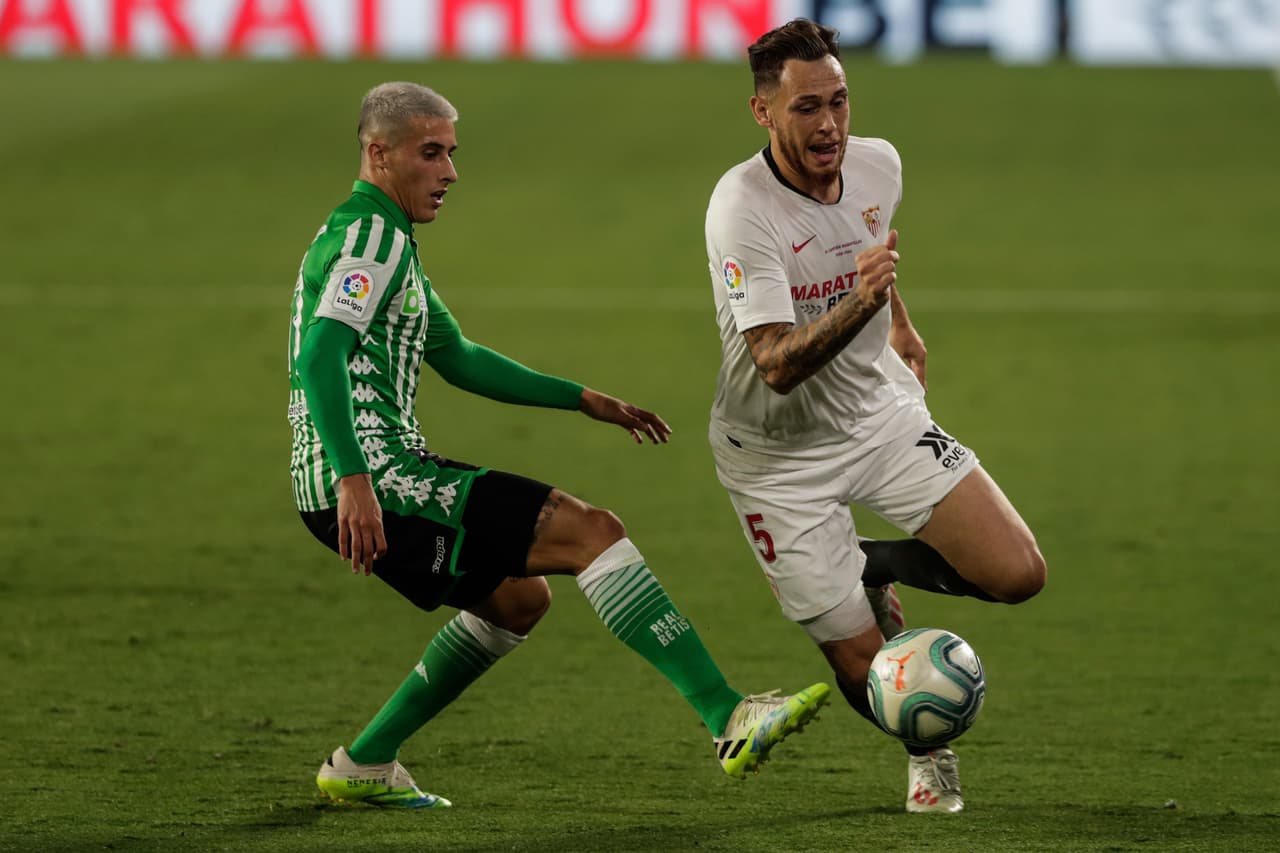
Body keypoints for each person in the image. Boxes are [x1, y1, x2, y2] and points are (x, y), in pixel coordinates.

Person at [285, 81, 829, 809]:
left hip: (357, 479)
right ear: (378, 153)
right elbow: (320, 355)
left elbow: (462, 357)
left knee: (516, 599)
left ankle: (365, 761)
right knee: (592, 532)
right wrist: (355, 479)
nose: (450, 171)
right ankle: (726, 714)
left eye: (452, 152)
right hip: (377, 480)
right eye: (431, 153)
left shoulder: (384, 242)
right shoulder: (371, 238)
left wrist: (584, 398)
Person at [703, 19, 1047, 814]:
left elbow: (866, 249)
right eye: (806, 109)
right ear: (764, 112)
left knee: (1018, 573)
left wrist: (896, 315)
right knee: (864, 664)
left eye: (840, 102)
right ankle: (930, 757)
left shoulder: (878, 164)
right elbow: (775, 364)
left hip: (875, 412)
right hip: (775, 457)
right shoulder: (741, 209)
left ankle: (872, 562)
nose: (829, 125)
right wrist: (860, 299)